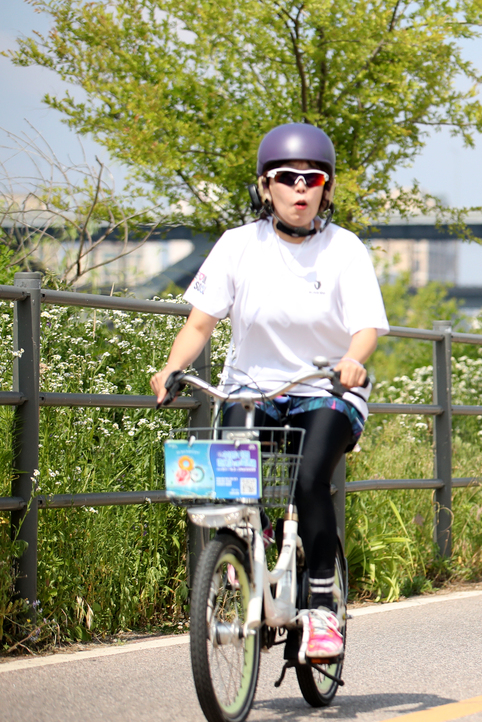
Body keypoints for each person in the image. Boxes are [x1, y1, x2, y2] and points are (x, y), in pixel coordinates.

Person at [149, 123, 389, 657]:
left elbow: (366, 325)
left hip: (325, 389)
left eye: (313, 178)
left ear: (326, 189)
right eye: (287, 177)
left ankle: (323, 605)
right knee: (234, 488)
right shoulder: (238, 246)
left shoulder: (343, 249)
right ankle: (245, 562)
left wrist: (354, 360)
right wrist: (170, 368)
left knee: (308, 482)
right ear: (265, 187)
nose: (300, 188)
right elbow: (199, 324)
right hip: (251, 390)